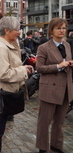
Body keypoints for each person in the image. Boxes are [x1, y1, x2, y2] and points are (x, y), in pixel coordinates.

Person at [0, 16, 32, 153]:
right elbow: (4, 74)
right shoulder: (1, 48)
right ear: (7, 30)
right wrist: (23, 70)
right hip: (1, 95)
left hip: (5, 93)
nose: (19, 32)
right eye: (17, 29)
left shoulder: (10, 44)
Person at [35, 18, 73, 153]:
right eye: (58, 28)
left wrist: (70, 63)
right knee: (44, 121)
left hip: (65, 88)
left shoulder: (67, 45)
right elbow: (39, 68)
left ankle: (56, 145)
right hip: (49, 88)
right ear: (51, 30)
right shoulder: (44, 47)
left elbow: (66, 62)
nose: (62, 30)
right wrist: (58, 66)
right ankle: (42, 147)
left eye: (64, 28)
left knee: (60, 121)